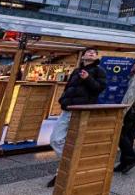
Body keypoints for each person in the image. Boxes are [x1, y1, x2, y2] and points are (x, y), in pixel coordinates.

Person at [48, 48, 107, 187]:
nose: (91, 53)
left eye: (94, 53)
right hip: (67, 109)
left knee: (73, 141)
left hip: (82, 111)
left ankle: (63, 170)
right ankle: (70, 165)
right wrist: (63, 100)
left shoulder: (99, 71)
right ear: (83, 56)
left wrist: (88, 79)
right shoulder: (75, 71)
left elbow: (99, 89)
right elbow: (68, 87)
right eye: (89, 52)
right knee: (55, 140)